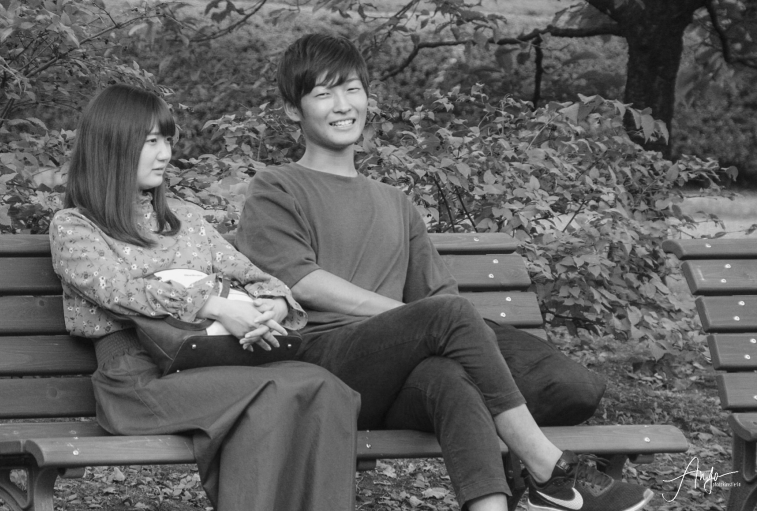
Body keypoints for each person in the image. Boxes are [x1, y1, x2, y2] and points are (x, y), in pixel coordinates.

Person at [236, 33, 654, 511]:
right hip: (321, 363)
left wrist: (425, 325)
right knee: (447, 317)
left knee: (544, 384)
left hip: (401, 379)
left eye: (352, 89)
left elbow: (438, 297)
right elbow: (301, 281)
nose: (343, 105)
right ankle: (550, 470)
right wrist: (410, 319)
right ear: (294, 110)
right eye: (323, 93)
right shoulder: (276, 186)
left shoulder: (395, 202)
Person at [49, 84, 361, 511]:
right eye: (151, 141)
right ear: (112, 145)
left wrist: (274, 304)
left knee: (327, 387)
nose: (165, 154)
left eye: (168, 140)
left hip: (212, 364)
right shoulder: (75, 226)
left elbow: (257, 277)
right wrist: (213, 304)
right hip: (138, 383)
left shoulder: (186, 220)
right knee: (276, 392)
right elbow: (117, 290)